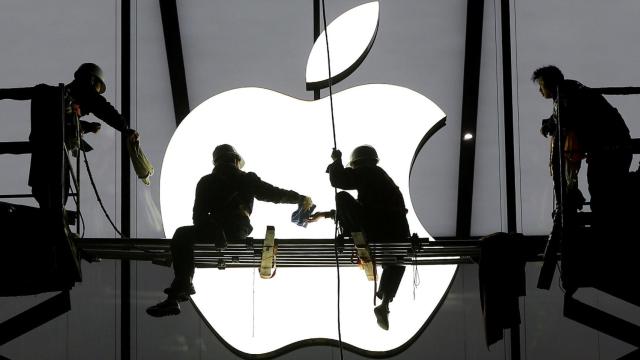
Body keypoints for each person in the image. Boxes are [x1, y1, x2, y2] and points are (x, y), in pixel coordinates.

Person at [147, 144, 314, 317]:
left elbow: (198, 217)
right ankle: (180, 289)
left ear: (216, 162)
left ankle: (181, 288)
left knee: (182, 235)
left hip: (214, 228)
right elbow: (273, 193)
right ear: (236, 160)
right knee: (191, 233)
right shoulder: (246, 179)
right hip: (237, 229)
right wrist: (299, 198)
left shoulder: (206, 182)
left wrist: (213, 229)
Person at [0, 63, 139, 210]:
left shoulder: (54, 95)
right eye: (97, 89)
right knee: (56, 194)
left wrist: (87, 126)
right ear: (91, 81)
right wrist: (125, 129)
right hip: (54, 151)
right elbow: (104, 109)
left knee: (48, 193)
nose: (96, 94)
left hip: (43, 148)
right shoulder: (85, 92)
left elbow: (63, 119)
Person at [309, 145, 409, 330]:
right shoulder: (382, 179)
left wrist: (336, 161)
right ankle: (385, 303)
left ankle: (349, 236)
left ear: (356, 163)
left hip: (376, 226)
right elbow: (363, 209)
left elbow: (340, 181)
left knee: (342, 197)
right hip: (398, 231)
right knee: (394, 263)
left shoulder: (368, 171)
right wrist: (326, 215)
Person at [532, 65, 632, 233]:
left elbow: (564, 118)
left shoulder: (566, 96)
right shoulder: (574, 90)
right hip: (617, 148)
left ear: (548, 84)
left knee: (601, 195)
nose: (540, 91)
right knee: (610, 195)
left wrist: (548, 125)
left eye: (540, 86)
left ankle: (605, 234)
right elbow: (563, 116)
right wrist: (551, 122)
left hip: (607, 152)